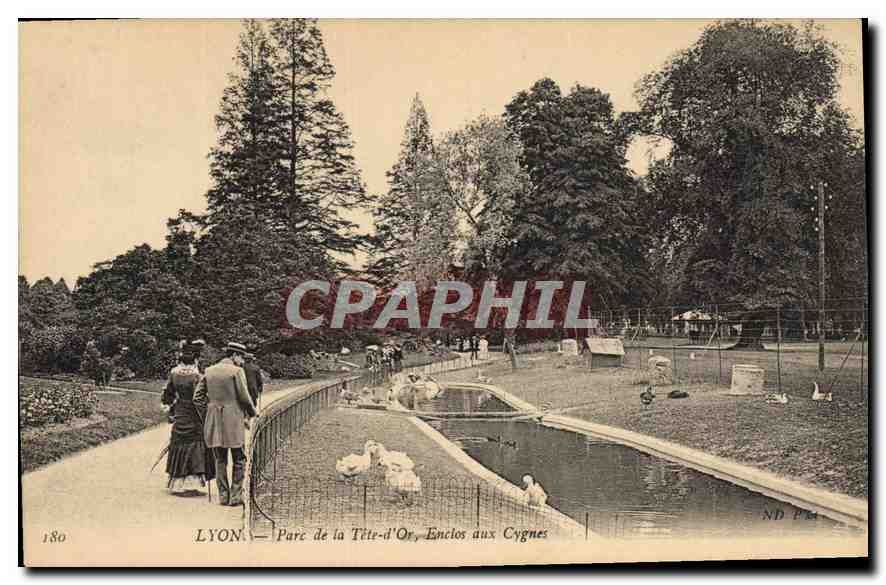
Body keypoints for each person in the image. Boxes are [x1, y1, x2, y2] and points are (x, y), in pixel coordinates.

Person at [193, 341, 256, 507]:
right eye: (241, 357)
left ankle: (223, 495)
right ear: (234, 355)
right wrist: (252, 413)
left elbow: (197, 398)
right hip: (233, 420)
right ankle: (235, 495)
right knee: (239, 457)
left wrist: (208, 413)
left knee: (219, 459)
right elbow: (244, 397)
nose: (242, 361)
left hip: (215, 420)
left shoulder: (209, 370)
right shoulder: (237, 371)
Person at [160, 342, 215, 495]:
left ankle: (177, 481)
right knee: (195, 444)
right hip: (193, 412)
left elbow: (168, 393)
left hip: (180, 411)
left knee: (179, 442)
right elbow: (201, 397)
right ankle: (191, 484)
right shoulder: (197, 376)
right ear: (195, 360)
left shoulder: (174, 373)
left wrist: (169, 407)